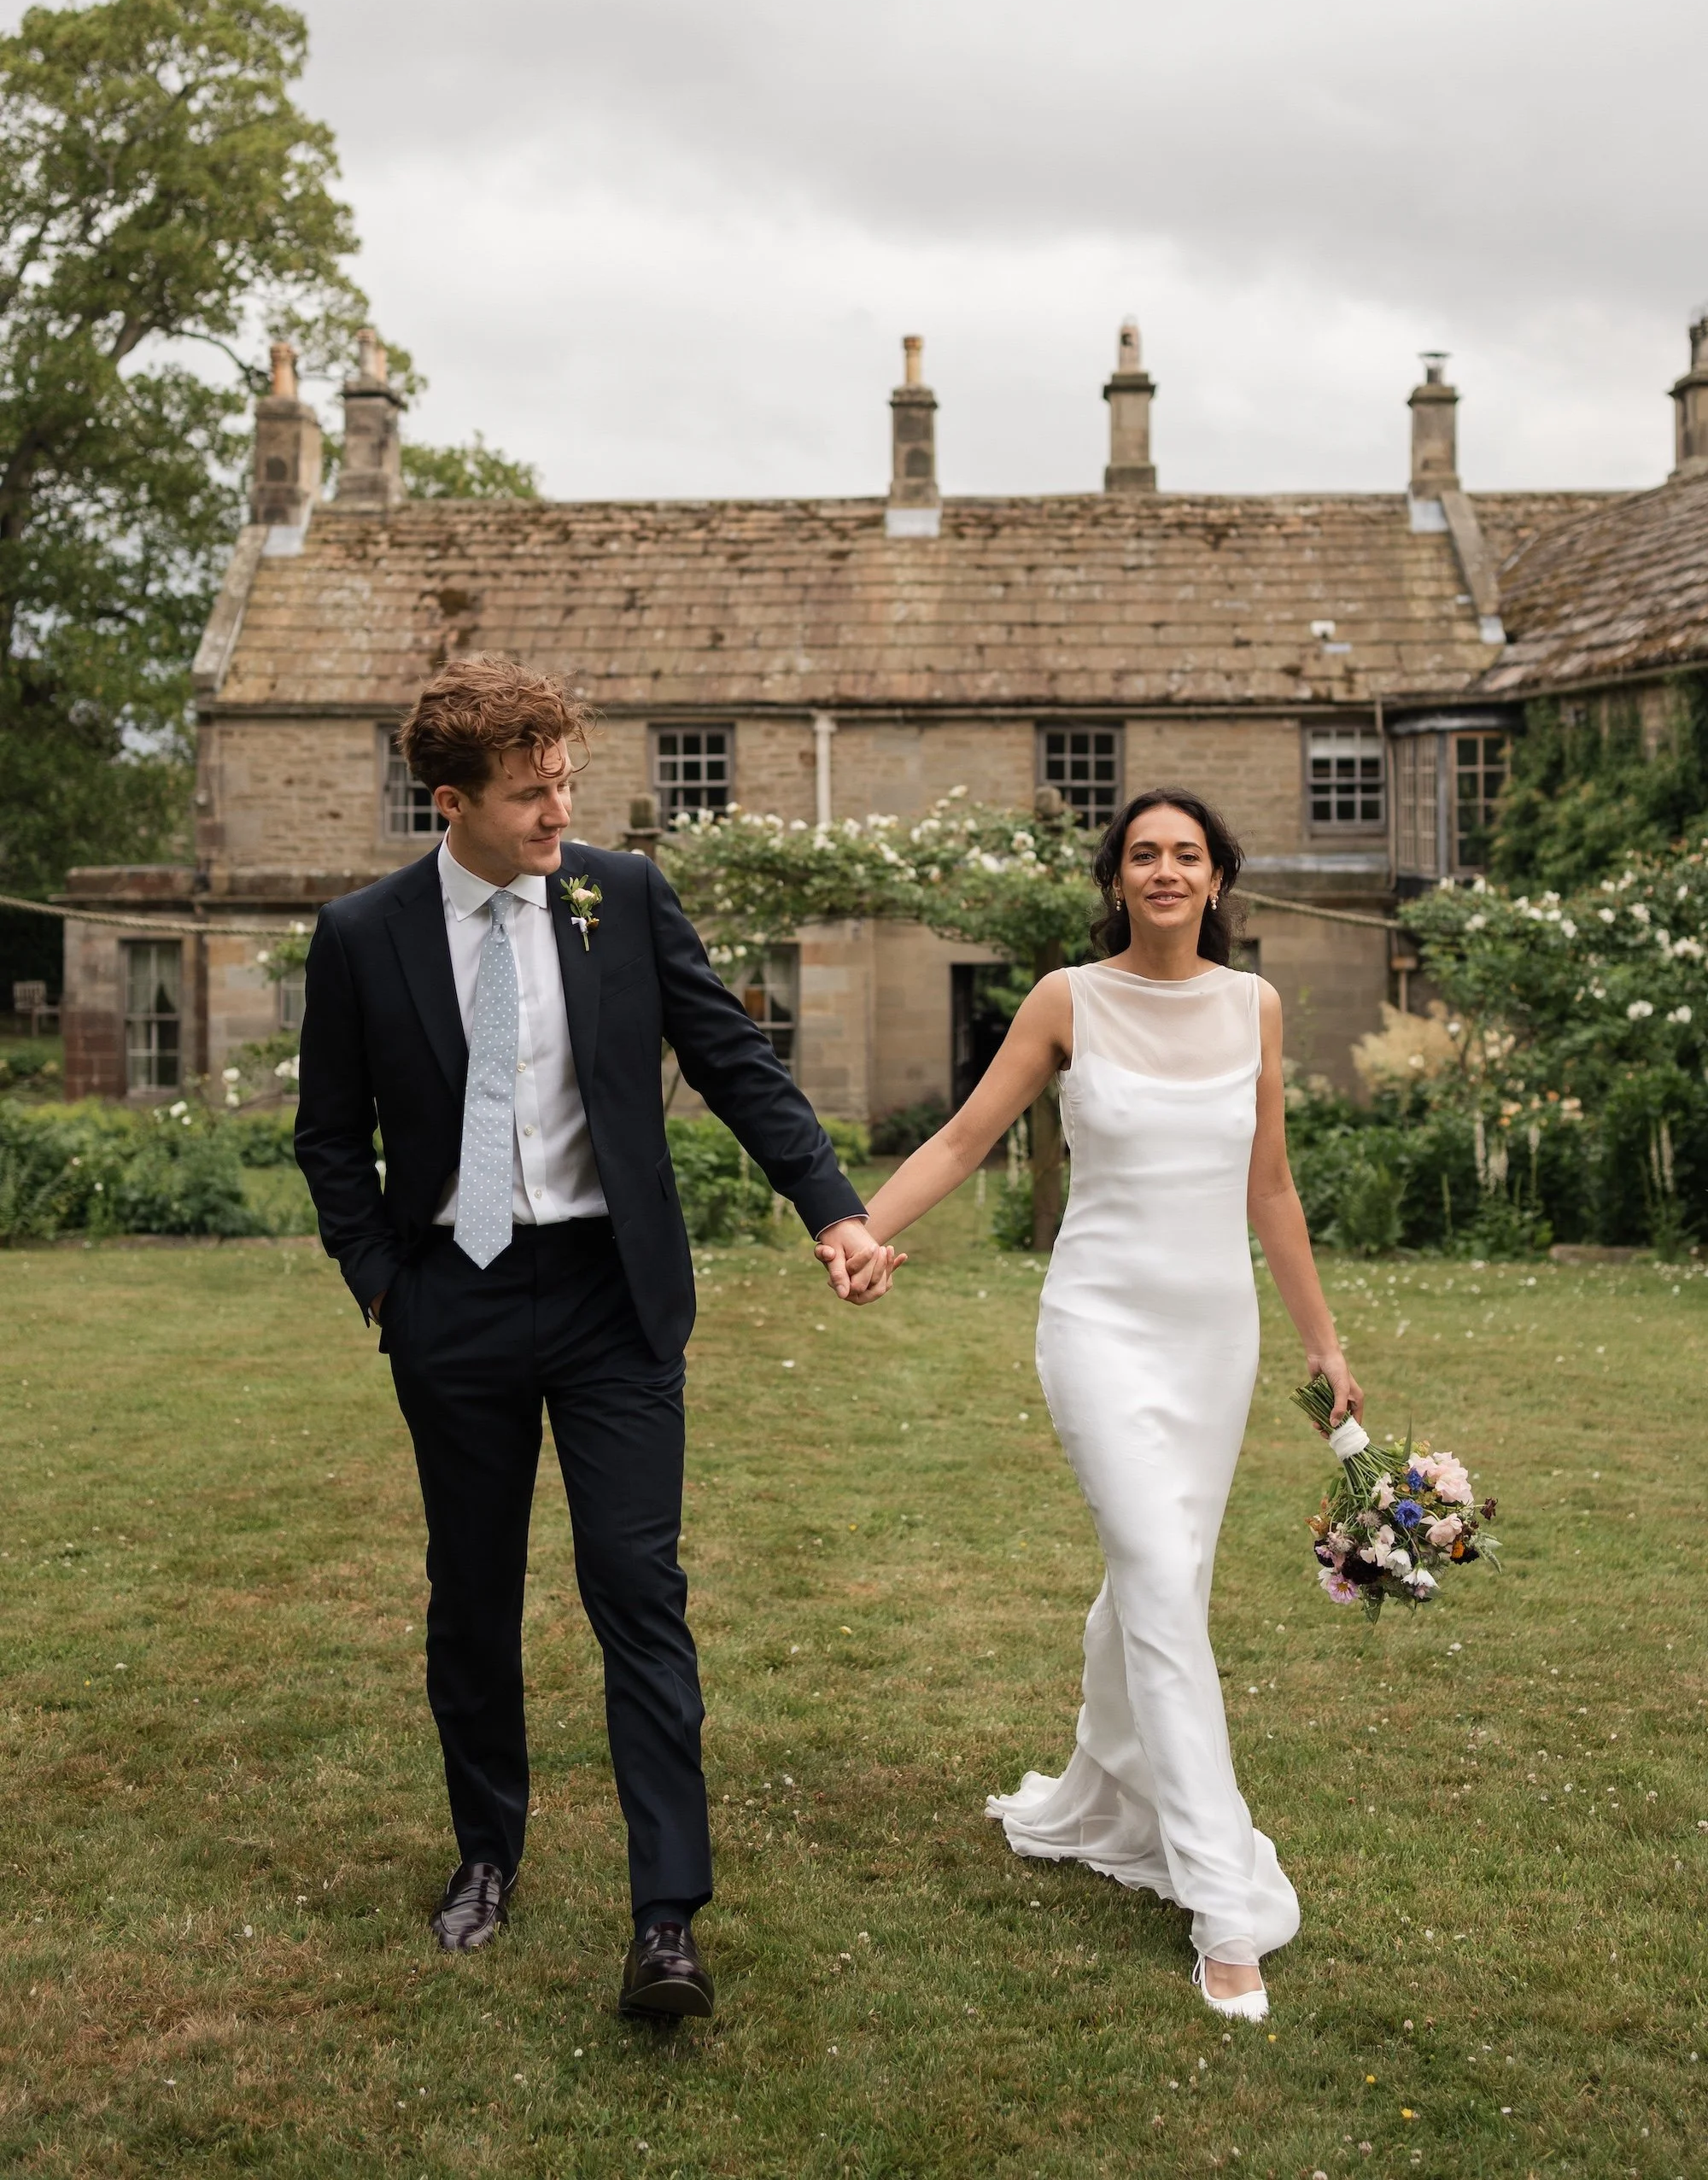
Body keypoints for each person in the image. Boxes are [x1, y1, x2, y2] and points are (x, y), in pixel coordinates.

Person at [294, 658, 896, 2021]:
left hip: (614, 1297)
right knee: (474, 1593)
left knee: (639, 1586)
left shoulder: (617, 897)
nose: (561, 808)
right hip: (454, 1296)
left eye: (569, 779)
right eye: (531, 792)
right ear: (450, 802)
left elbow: (735, 1062)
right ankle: (486, 1855)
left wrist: (832, 1206)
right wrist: (387, 1287)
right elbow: (330, 1138)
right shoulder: (363, 933)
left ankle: (666, 1914)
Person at [863, 788, 1360, 2022]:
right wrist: (858, 1231)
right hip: (1098, 1328)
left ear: (1219, 878)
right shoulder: (1065, 1000)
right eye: (1144, 854)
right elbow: (965, 1138)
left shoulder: (1257, 1007)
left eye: (1187, 854)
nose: (1166, 872)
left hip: (1214, 1342)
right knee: (1153, 1569)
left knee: (1160, 1586)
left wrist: (1325, 1346)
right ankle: (1222, 1904)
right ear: (1117, 878)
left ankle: (1098, 1798)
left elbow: (1275, 1190)